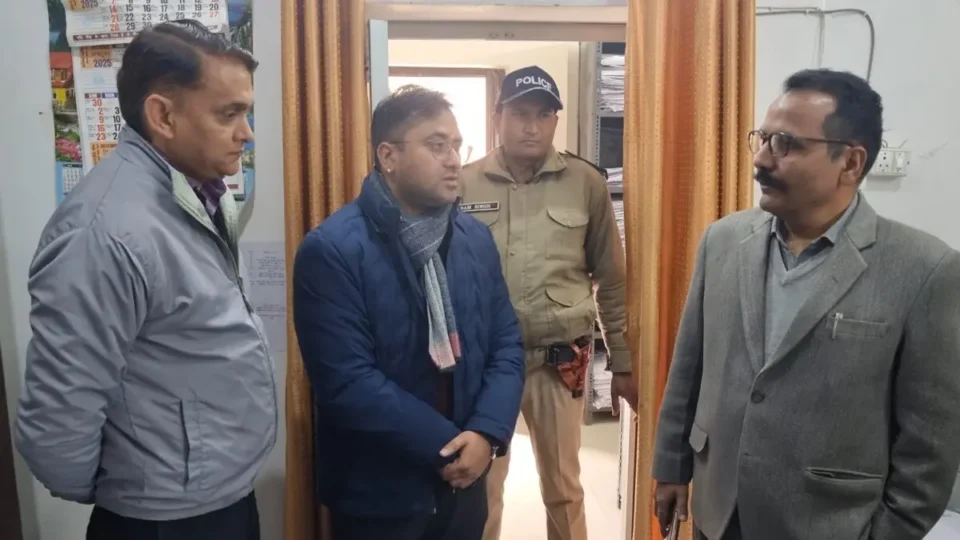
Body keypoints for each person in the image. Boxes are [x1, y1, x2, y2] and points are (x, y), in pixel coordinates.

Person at [652, 68, 960, 540]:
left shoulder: (924, 270)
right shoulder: (723, 241)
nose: (761, 159)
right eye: (762, 139)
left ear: (850, 163)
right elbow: (688, 368)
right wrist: (671, 466)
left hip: (828, 524)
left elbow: (931, 440)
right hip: (719, 512)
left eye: (786, 144)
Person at [15, 21, 274, 540]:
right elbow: (57, 422)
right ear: (163, 116)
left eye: (246, 113)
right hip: (163, 519)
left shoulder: (199, 191)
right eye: (229, 114)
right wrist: (135, 488)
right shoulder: (105, 230)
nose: (246, 133)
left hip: (216, 497)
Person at [292, 85, 525, 540]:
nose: (454, 160)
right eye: (437, 145)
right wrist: (449, 448)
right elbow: (347, 382)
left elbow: (506, 344)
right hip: (379, 496)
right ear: (388, 156)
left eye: (457, 146)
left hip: (464, 489)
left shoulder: (474, 239)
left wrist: (486, 432)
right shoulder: (333, 250)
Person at [460, 66, 638, 540]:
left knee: (563, 488)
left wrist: (621, 361)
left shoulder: (586, 183)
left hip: (556, 365)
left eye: (544, 115)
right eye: (520, 113)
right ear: (497, 117)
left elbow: (612, 278)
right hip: (483, 366)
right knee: (480, 487)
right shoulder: (464, 184)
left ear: (556, 120)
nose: (532, 126)